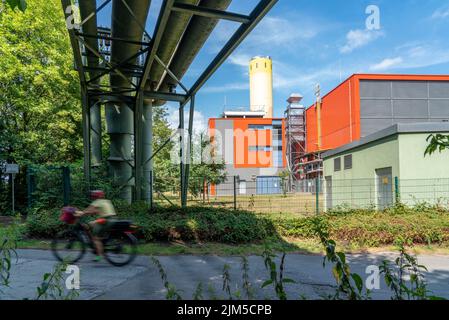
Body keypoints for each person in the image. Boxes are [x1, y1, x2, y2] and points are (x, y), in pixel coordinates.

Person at [75, 190, 116, 262]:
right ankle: (98, 245)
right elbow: (95, 211)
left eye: (93, 196)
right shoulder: (106, 201)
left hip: (105, 220)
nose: (92, 197)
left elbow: (90, 210)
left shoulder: (97, 202)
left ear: (95, 196)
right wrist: (89, 212)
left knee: (95, 238)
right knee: (90, 224)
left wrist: (81, 213)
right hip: (112, 219)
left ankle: (99, 255)